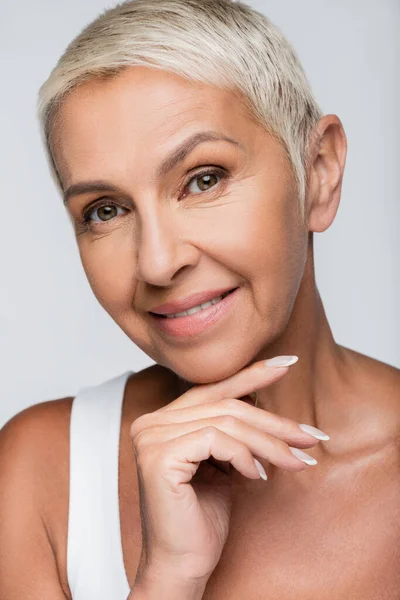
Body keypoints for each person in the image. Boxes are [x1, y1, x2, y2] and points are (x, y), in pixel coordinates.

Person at [1, 0, 399, 598]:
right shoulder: (39, 476)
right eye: (105, 211)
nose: (158, 262)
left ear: (317, 172)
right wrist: (167, 579)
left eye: (204, 178)